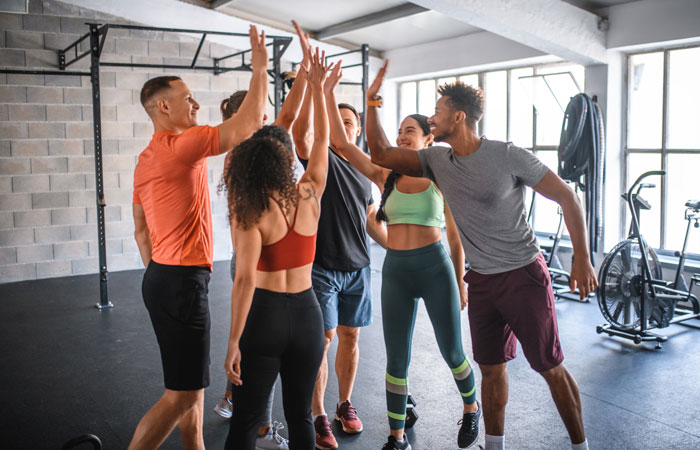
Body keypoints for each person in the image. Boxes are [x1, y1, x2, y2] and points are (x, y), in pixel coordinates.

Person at [364, 61, 598, 450]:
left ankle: (580, 446)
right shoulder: (437, 160)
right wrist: (373, 100)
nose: (432, 117)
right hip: (483, 280)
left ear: (458, 116)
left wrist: (582, 258)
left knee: (550, 366)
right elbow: (382, 152)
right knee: (490, 369)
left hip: (523, 274)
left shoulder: (507, 155)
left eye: (438, 111)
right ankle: (494, 445)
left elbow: (567, 196)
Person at [323, 65, 479, 450]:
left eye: (410, 131)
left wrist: (460, 280)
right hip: (395, 271)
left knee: (453, 351)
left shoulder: (442, 175)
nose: (401, 137)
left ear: (428, 138)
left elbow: (455, 238)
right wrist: (327, 91)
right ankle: (396, 437)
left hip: (434, 267)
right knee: (396, 360)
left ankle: (472, 407)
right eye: (399, 131)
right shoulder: (385, 174)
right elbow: (342, 145)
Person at [129, 26, 268, 450]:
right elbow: (245, 127)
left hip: (161, 278)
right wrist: (260, 67)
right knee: (184, 394)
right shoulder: (179, 145)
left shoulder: (145, 158)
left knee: (191, 384)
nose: (196, 103)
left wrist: (163, 272)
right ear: (164, 105)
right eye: (188, 97)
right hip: (181, 282)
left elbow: (140, 230)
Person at [223, 48, 331, 450]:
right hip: (307, 315)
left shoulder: (249, 206)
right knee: (301, 417)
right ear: (288, 158)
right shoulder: (310, 193)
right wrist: (319, 90)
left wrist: (233, 341)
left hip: (264, 317)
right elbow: (322, 139)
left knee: (247, 420)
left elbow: (245, 278)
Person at [291, 23, 387, 450]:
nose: (342, 128)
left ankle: (345, 403)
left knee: (351, 337)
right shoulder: (318, 159)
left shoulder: (364, 172)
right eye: (337, 122)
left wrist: (404, 244)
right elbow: (300, 133)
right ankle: (318, 414)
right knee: (323, 341)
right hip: (322, 268)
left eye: (349, 122)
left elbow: (370, 221)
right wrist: (315, 86)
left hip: (359, 268)